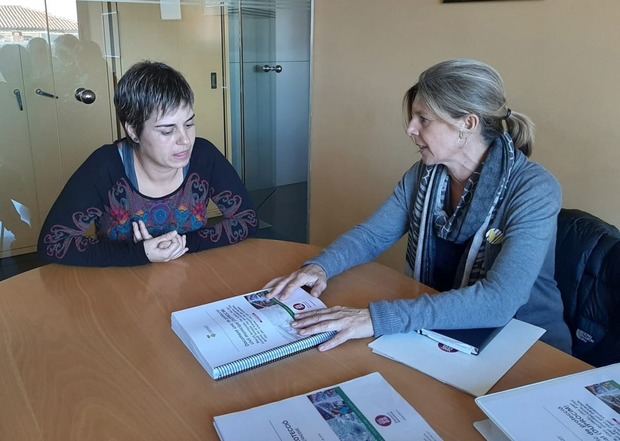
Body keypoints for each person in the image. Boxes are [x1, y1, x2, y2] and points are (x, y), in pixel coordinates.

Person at [266, 59, 572, 354]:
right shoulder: (424, 175)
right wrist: (321, 267)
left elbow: (500, 300)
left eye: (423, 119)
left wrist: (375, 318)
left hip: (525, 346)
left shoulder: (534, 189)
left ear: (467, 123)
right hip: (442, 332)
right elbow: (373, 235)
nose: (410, 129)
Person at [38, 61, 257, 266]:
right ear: (133, 130)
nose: (185, 140)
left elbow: (247, 219)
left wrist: (180, 244)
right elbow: (53, 244)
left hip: (190, 276)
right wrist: (141, 253)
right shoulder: (105, 167)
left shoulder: (203, 156)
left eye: (189, 124)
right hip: (122, 285)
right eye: (167, 130)